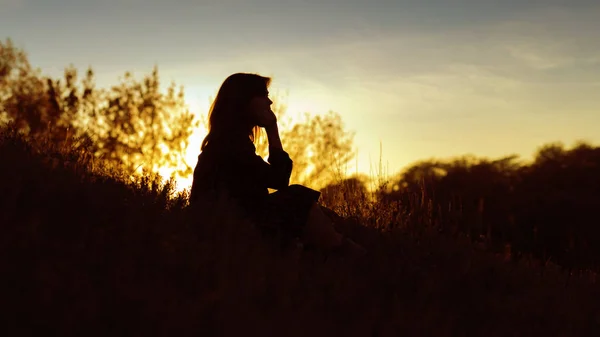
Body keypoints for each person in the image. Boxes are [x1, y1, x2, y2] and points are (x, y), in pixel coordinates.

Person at [189, 73, 365, 256]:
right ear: (245, 100)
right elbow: (279, 180)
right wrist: (273, 130)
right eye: (264, 95)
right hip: (230, 229)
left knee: (322, 213)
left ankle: (352, 246)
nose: (270, 102)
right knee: (298, 198)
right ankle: (352, 255)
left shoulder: (230, 140)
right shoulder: (229, 143)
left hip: (234, 223)